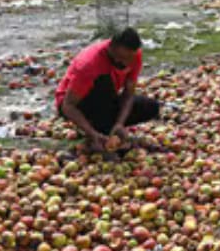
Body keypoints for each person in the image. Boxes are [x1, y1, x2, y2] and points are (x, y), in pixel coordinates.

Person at [54, 27, 160, 160]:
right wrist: (92, 133)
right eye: (121, 58)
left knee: (150, 107)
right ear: (111, 47)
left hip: (107, 100)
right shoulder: (89, 64)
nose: (126, 63)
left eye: (129, 58)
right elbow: (67, 106)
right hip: (76, 104)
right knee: (104, 83)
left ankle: (106, 129)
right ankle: (96, 135)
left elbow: (128, 94)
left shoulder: (134, 56)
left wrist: (120, 123)